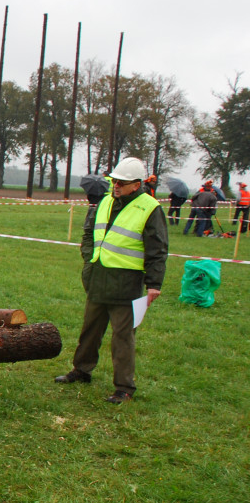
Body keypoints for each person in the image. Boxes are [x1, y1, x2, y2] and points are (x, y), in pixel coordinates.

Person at [54, 157, 168, 404]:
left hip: (126, 283)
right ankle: (81, 370)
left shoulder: (150, 208)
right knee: (90, 330)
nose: (115, 185)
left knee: (123, 336)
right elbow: (88, 233)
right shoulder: (105, 201)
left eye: (121, 182)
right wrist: (89, 259)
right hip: (98, 277)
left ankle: (124, 388)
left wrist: (154, 284)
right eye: (114, 181)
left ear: (136, 185)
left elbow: (157, 249)